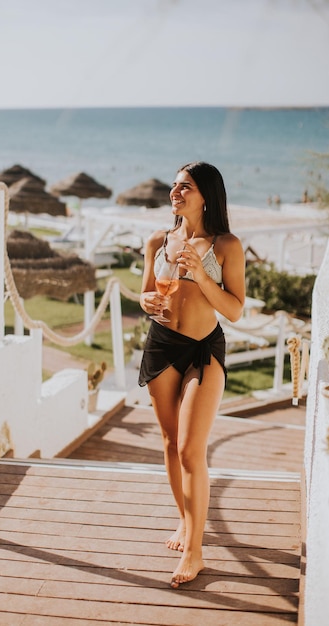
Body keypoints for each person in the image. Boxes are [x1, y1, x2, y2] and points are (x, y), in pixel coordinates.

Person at [138, 161, 246, 588]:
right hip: (162, 346)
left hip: (203, 350)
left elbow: (235, 310)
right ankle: (185, 522)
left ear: (206, 195)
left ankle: (196, 552)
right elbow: (148, 292)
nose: (175, 192)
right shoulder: (158, 241)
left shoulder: (225, 245)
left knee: (189, 449)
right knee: (168, 443)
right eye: (174, 185)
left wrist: (200, 274)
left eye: (186, 187)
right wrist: (147, 302)